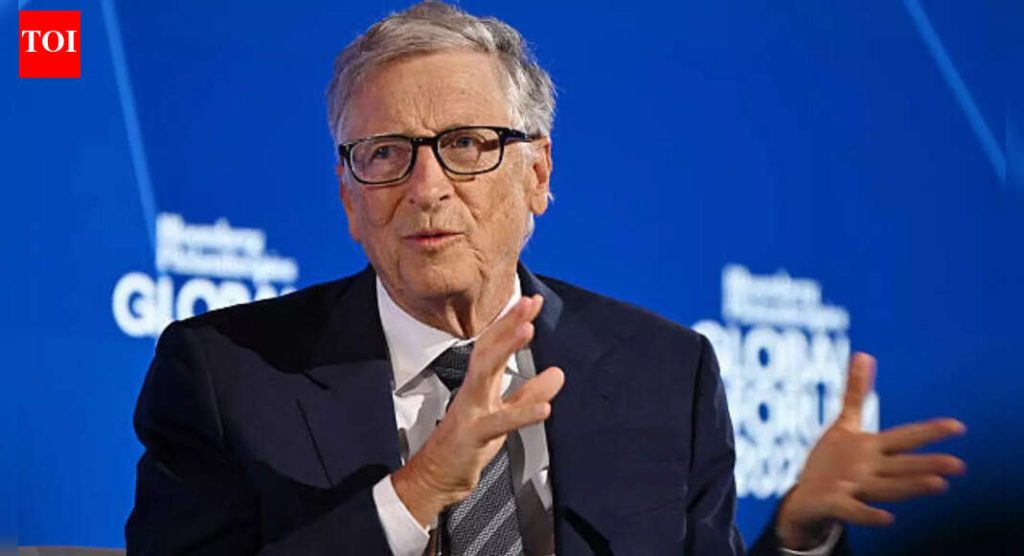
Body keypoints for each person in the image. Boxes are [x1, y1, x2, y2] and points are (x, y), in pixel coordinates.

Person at [125, 2, 966, 554]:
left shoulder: (663, 373)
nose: (427, 188)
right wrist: (418, 491)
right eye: (386, 154)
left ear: (537, 174)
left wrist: (799, 532)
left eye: (467, 145)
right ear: (349, 195)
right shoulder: (229, 377)